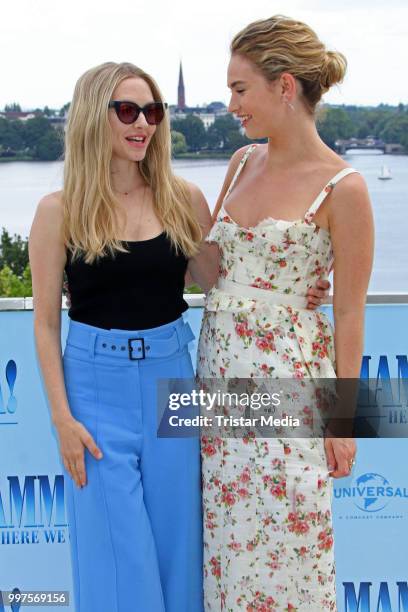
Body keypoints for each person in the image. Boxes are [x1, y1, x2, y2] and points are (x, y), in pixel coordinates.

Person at [196, 15, 374, 611]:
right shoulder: (241, 164)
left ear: (285, 86)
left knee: (289, 554)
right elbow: (205, 272)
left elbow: (349, 312)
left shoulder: (345, 188)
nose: (230, 104)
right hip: (218, 394)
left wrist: (345, 422)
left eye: (239, 89)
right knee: (228, 554)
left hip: (293, 392)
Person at [28, 61, 215, 612]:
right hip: (94, 389)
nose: (143, 125)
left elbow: (221, 284)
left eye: (152, 112)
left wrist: (291, 280)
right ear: (94, 115)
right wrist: (62, 419)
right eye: (128, 111)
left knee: (178, 557)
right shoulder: (59, 210)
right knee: (119, 565)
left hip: (172, 381)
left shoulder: (183, 198)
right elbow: (44, 322)